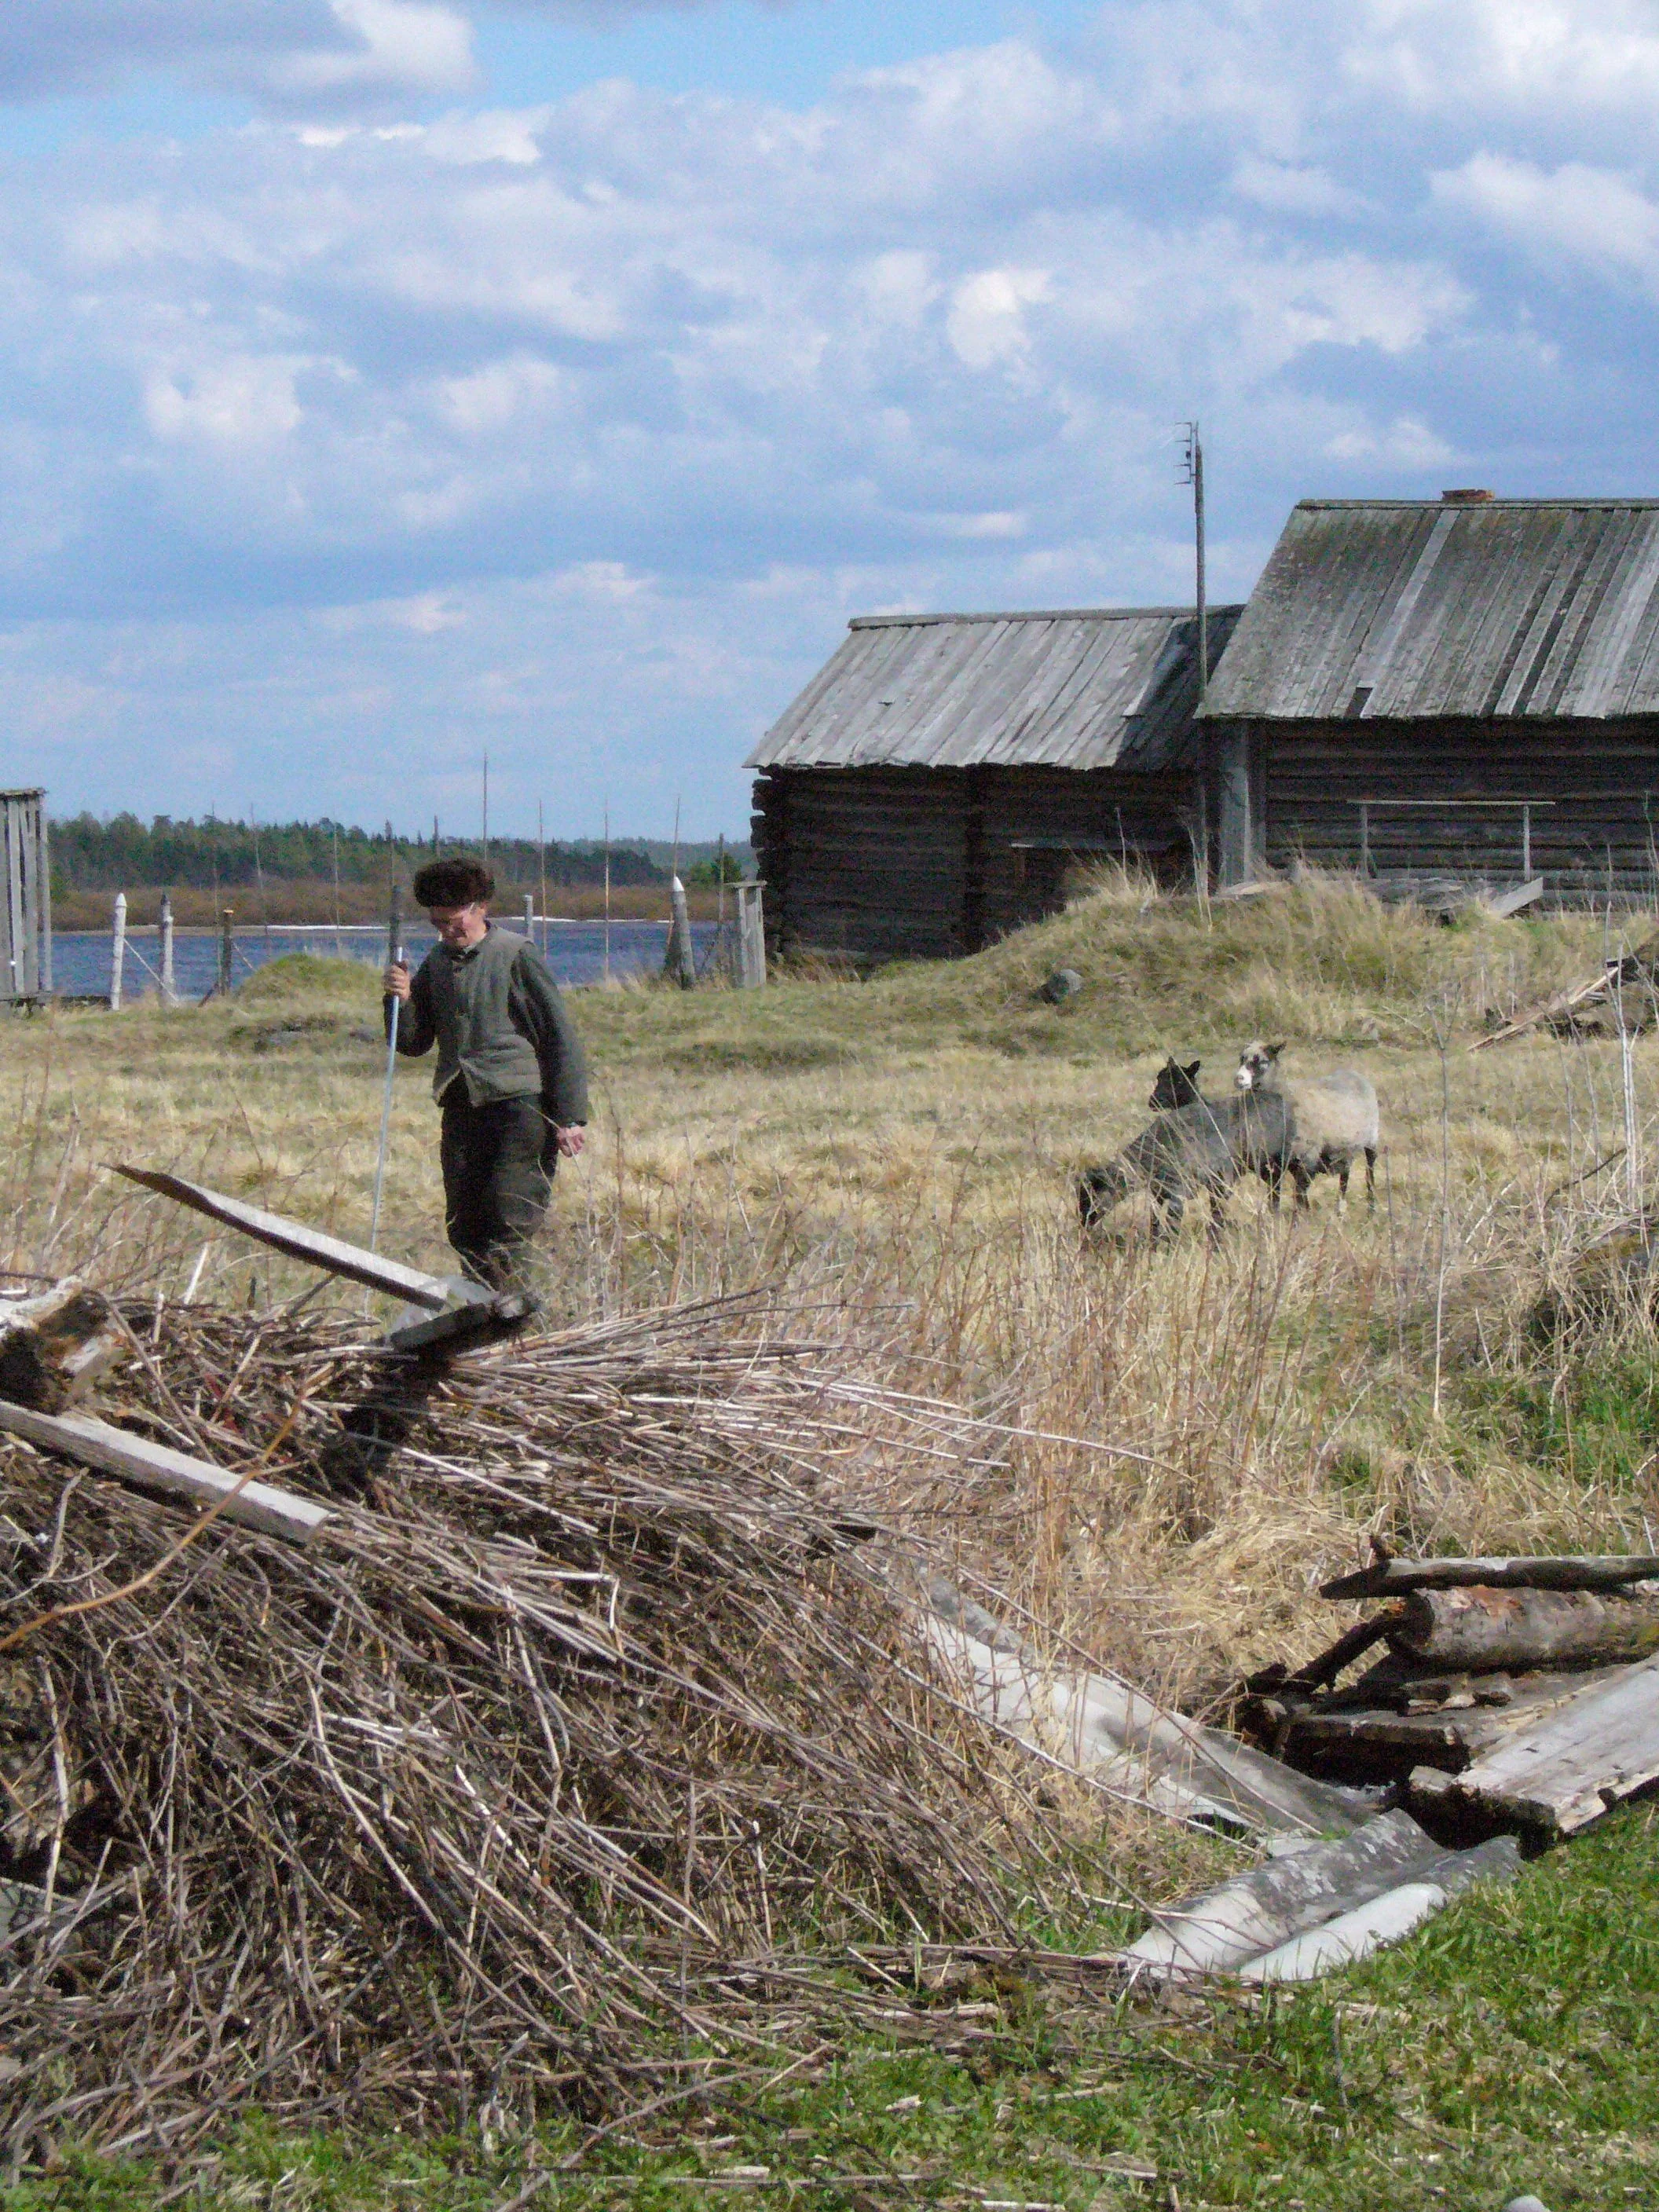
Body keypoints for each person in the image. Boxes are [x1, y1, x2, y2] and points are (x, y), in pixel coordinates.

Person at [384, 855, 588, 1292]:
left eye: (453, 920)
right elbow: (413, 1043)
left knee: (509, 1216)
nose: (446, 931)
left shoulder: (516, 955)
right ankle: (478, 1314)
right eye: (437, 923)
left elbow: (559, 1036)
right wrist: (400, 1001)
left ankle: (516, 1321)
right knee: (464, 1222)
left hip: (520, 1106)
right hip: (461, 1104)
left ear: (480, 908)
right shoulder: (436, 963)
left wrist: (570, 1116)